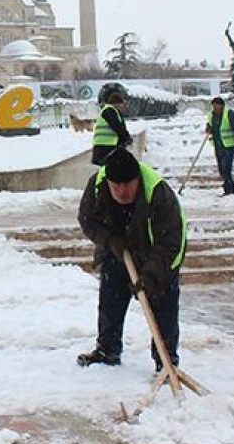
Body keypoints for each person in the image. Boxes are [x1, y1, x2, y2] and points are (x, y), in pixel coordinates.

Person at [76, 149, 186, 371]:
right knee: (110, 301)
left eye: (128, 184)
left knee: (163, 308)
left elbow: (171, 243)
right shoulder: (97, 186)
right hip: (118, 251)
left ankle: (165, 362)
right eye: (116, 185)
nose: (122, 191)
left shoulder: (158, 193)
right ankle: (107, 350)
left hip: (156, 254)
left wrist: (151, 276)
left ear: (137, 178)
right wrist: (110, 241)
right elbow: (87, 220)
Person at [205, 97, 234, 196]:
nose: (215, 108)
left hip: (228, 146)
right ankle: (228, 188)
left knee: (226, 168)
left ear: (222, 105)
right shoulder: (211, 115)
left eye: (217, 106)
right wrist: (208, 128)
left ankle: (229, 190)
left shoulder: (229, 114)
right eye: (213, 106)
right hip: (217, 145)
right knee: (222, 170)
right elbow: (210, 125)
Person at [90, 92, 131, 165]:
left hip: (106, 146)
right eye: (122, 104)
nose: (123, 106)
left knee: (110, 169)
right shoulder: (109, 111)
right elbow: (117, 126)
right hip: (105, 146)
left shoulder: (113, 111)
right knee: (109, 169)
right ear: (117, 103)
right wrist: (126, 137)